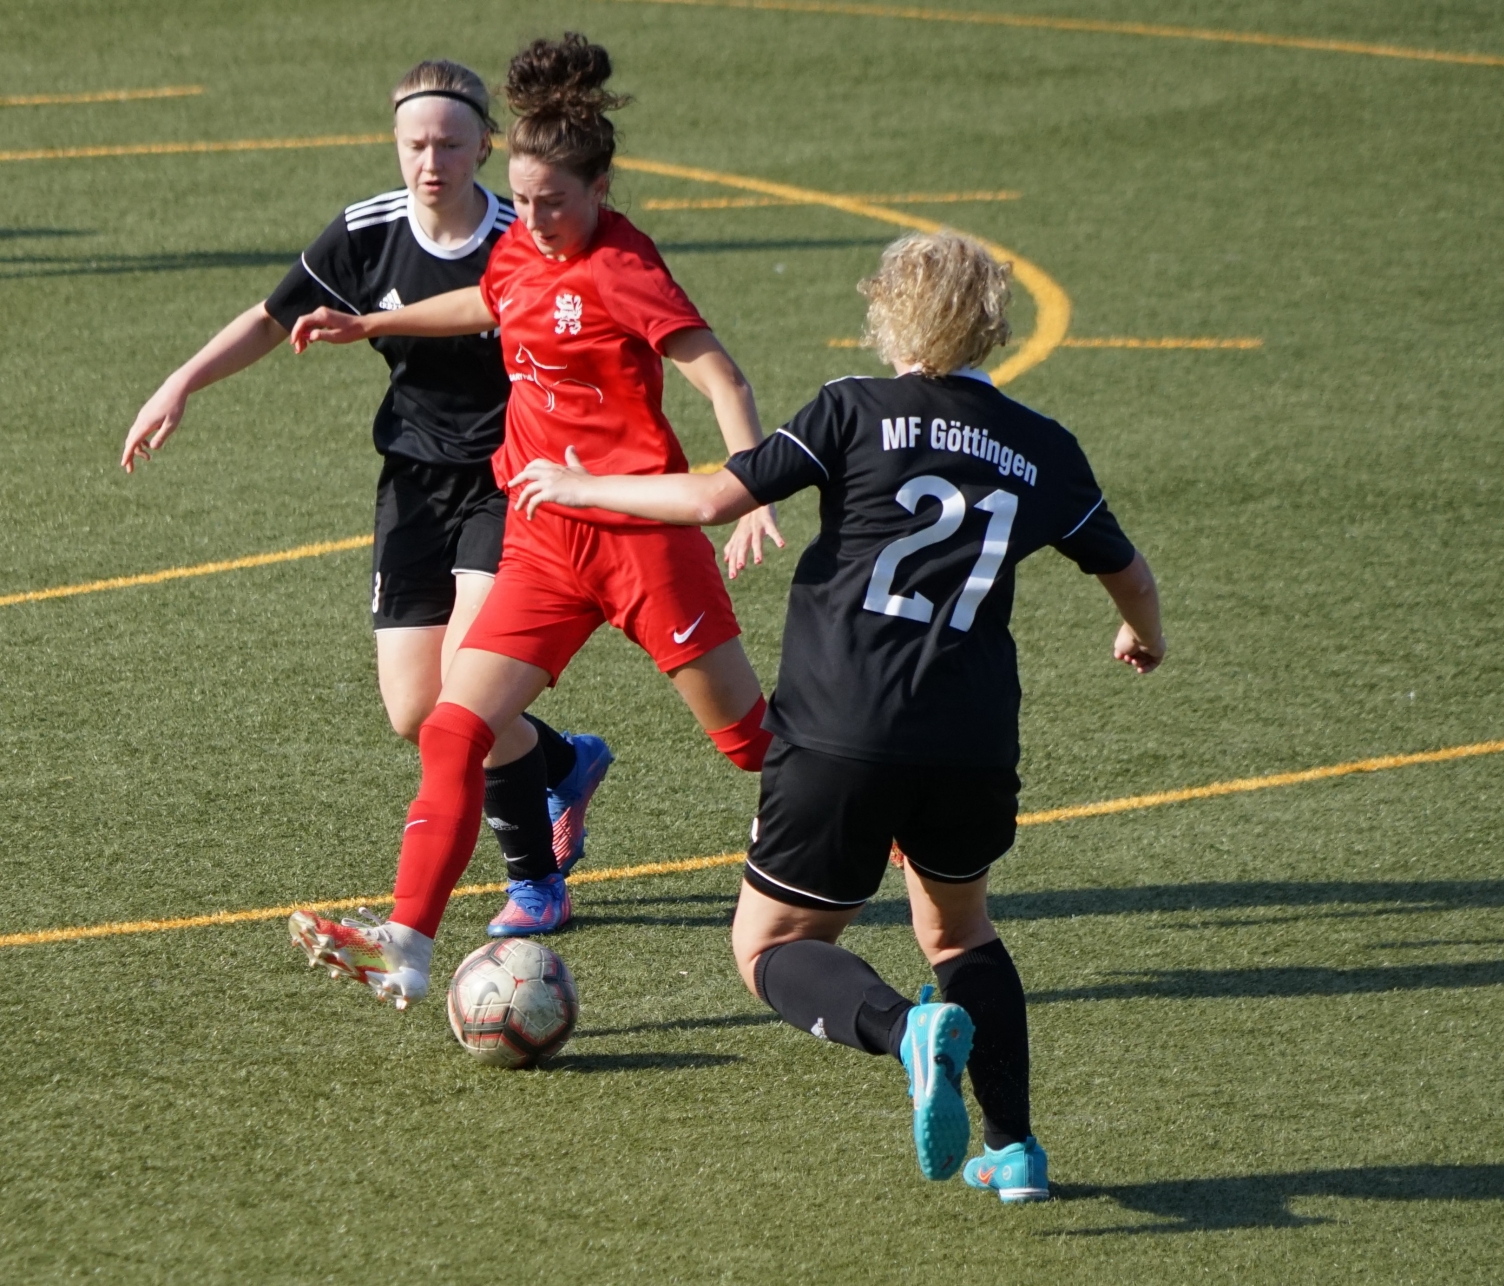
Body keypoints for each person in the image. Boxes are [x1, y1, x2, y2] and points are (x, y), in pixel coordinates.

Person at [510, 230, 1167, 1201]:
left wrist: (576, 484)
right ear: (994, 328)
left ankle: (908, 1031)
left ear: (886, 318)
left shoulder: (852, 408)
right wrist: (1141, 635)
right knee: (961, 933)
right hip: (973, 739)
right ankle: (1017, 1149)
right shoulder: (1044, 446)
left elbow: (715, 497)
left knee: (772, 946)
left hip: (840, 727)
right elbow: (1129, 572)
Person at [285, 33, 782, 1006]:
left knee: (752, 746)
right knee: (452, 725)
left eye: (555, 201)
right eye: (524, 198)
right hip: (546, 539)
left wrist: (750, 488)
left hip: (642, 541)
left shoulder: (624, 266)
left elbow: (722, 376)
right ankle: (407, 943)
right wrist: (371, 322)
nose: (536, 219)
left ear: (599, 186)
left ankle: (897, 817)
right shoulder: (521, 243)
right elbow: (491, 296)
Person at [120, 60, 613, 938]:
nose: (431, 162)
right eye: (415, 144)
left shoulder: (520, 237)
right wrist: (181, 382)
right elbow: (271, 317)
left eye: (450, 145)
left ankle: (538, 884)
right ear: (395, 144)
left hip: (511, 481)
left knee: (469, 691)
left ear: (484, 146)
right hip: (413, 484)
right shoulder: (367, 231)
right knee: (415, 711)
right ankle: (562, 762)